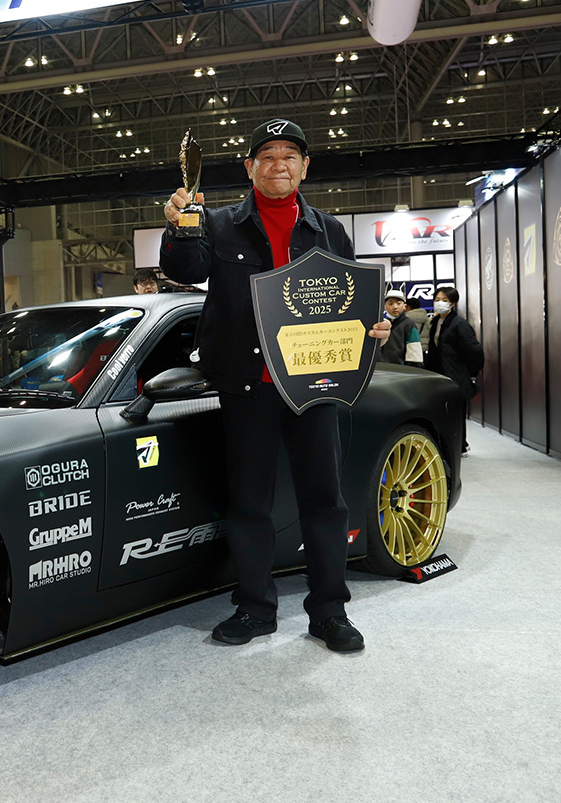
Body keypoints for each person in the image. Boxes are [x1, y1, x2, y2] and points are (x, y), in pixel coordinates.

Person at [160, 118, 390, 653]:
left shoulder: (330, 231)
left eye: (290, 155)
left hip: (315, 384)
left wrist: (373, 324)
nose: (278, 164)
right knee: (249, 504)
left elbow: (350, 297)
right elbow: (186, 270)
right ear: (250, 167)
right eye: (267, 156)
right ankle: (255, 608)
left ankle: (329, 612)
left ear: (304, 167)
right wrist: (181, 225)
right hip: (249, 386)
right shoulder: (217, 223)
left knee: (325, 503)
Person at [424, 286, 483, 454]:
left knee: (456, 414)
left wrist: (471, 374)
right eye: (437, 300)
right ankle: (447, 446)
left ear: (453, 303)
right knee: (443, 413)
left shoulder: (459, 324)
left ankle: (460, 446)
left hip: (457, 377)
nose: (440, 303)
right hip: (440, 376)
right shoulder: (435, 322)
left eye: (445, 300)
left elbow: (474, 351)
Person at [378, 289, 423, 367]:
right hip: (381, 368)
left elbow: (415, 353)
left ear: (404, 306)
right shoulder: (381, 324)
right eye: (390, 303)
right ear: (385, 306)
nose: (395, 307)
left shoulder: (409, 324)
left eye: (398, 303)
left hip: (400, 369)